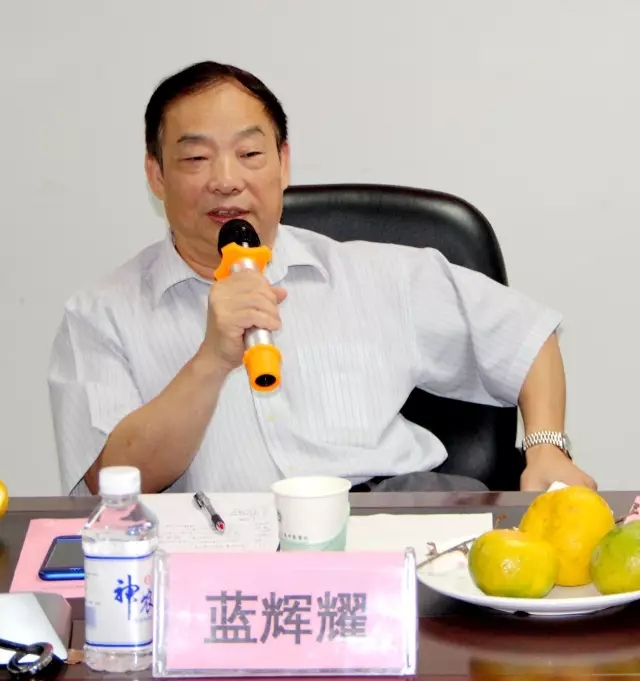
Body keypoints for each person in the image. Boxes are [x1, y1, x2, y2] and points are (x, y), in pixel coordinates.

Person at [48, 60, 596, 496]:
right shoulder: (102, 315)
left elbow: (525, 336)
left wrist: (547, 446)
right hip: (226, 550)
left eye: (250, 153)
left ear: (283, 162)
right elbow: (110, 481)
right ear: (156, 174)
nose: (226, 180)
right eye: (196, 159)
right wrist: (211, 360)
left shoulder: (377, 274)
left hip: (390, 528)